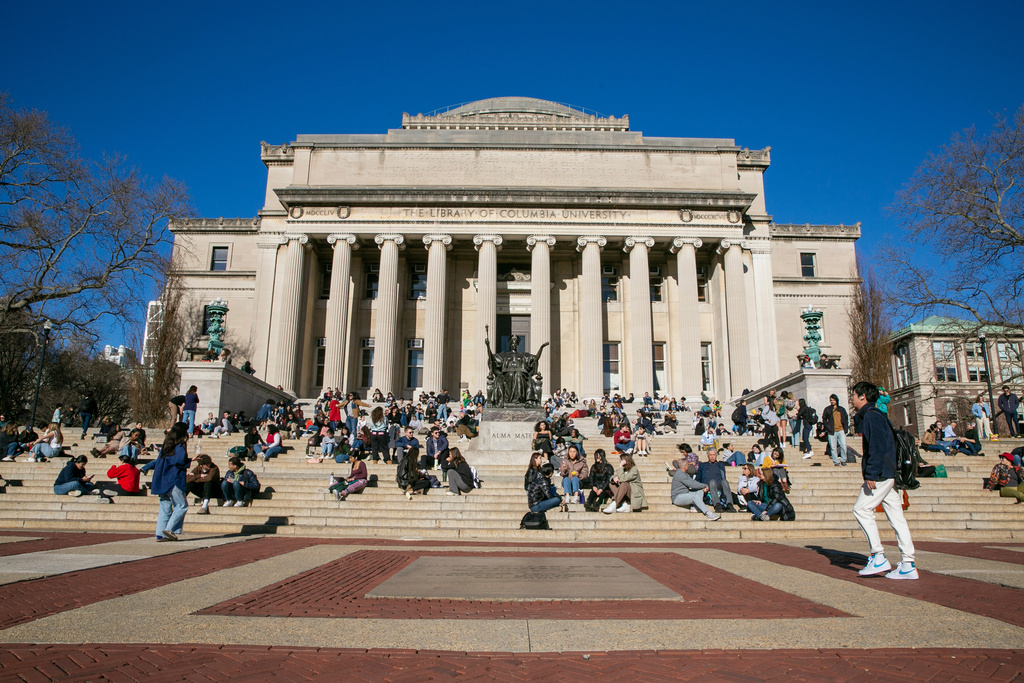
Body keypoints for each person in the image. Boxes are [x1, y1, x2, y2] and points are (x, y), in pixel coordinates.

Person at [850, 381, 917, 580]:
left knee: (861, 509)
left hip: (881, 474)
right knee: (897, 517)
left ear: (862, 396)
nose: (852, 399)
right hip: (889, 472)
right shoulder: (878, 414)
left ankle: (877, 555)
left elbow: (877, 447)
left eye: (854, 395)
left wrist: (871, 474)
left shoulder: (871, 415)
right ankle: (908, 562)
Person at [152, 423, 191, 541]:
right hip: (174, 479)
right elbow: (179, 460)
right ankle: (169, 529)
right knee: (181, 505)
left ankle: (160, 533)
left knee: (165, 506)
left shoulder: (166, 445)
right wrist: (188, 461)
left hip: (163, 479)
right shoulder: (179, 446)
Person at [697, 447, 737, 512]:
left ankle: (729, 504)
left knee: (724, 481)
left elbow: (723, 477)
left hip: (719, 486)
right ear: (708, 456)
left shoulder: (720, 465)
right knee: (712, 482)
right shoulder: (703, 465)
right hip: (708, 486)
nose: (712, 457)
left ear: (716, 455)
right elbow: (698, 479)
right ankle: (717, 504)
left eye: (713, 455)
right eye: (710, 455)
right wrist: (702, 487)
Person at [822, 394, 849, 467]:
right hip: (832, 430)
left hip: (841, 429)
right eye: (831, 400)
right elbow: (824, 419)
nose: (832, 401)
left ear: (836, 400)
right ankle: (835, 461)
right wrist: (827, 426)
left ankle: (843, 460)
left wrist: (846, 428)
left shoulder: (841, 409)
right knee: (833, 447)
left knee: (843, 445)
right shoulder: (828, 409)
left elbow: (846, 419)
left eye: (833, 400)